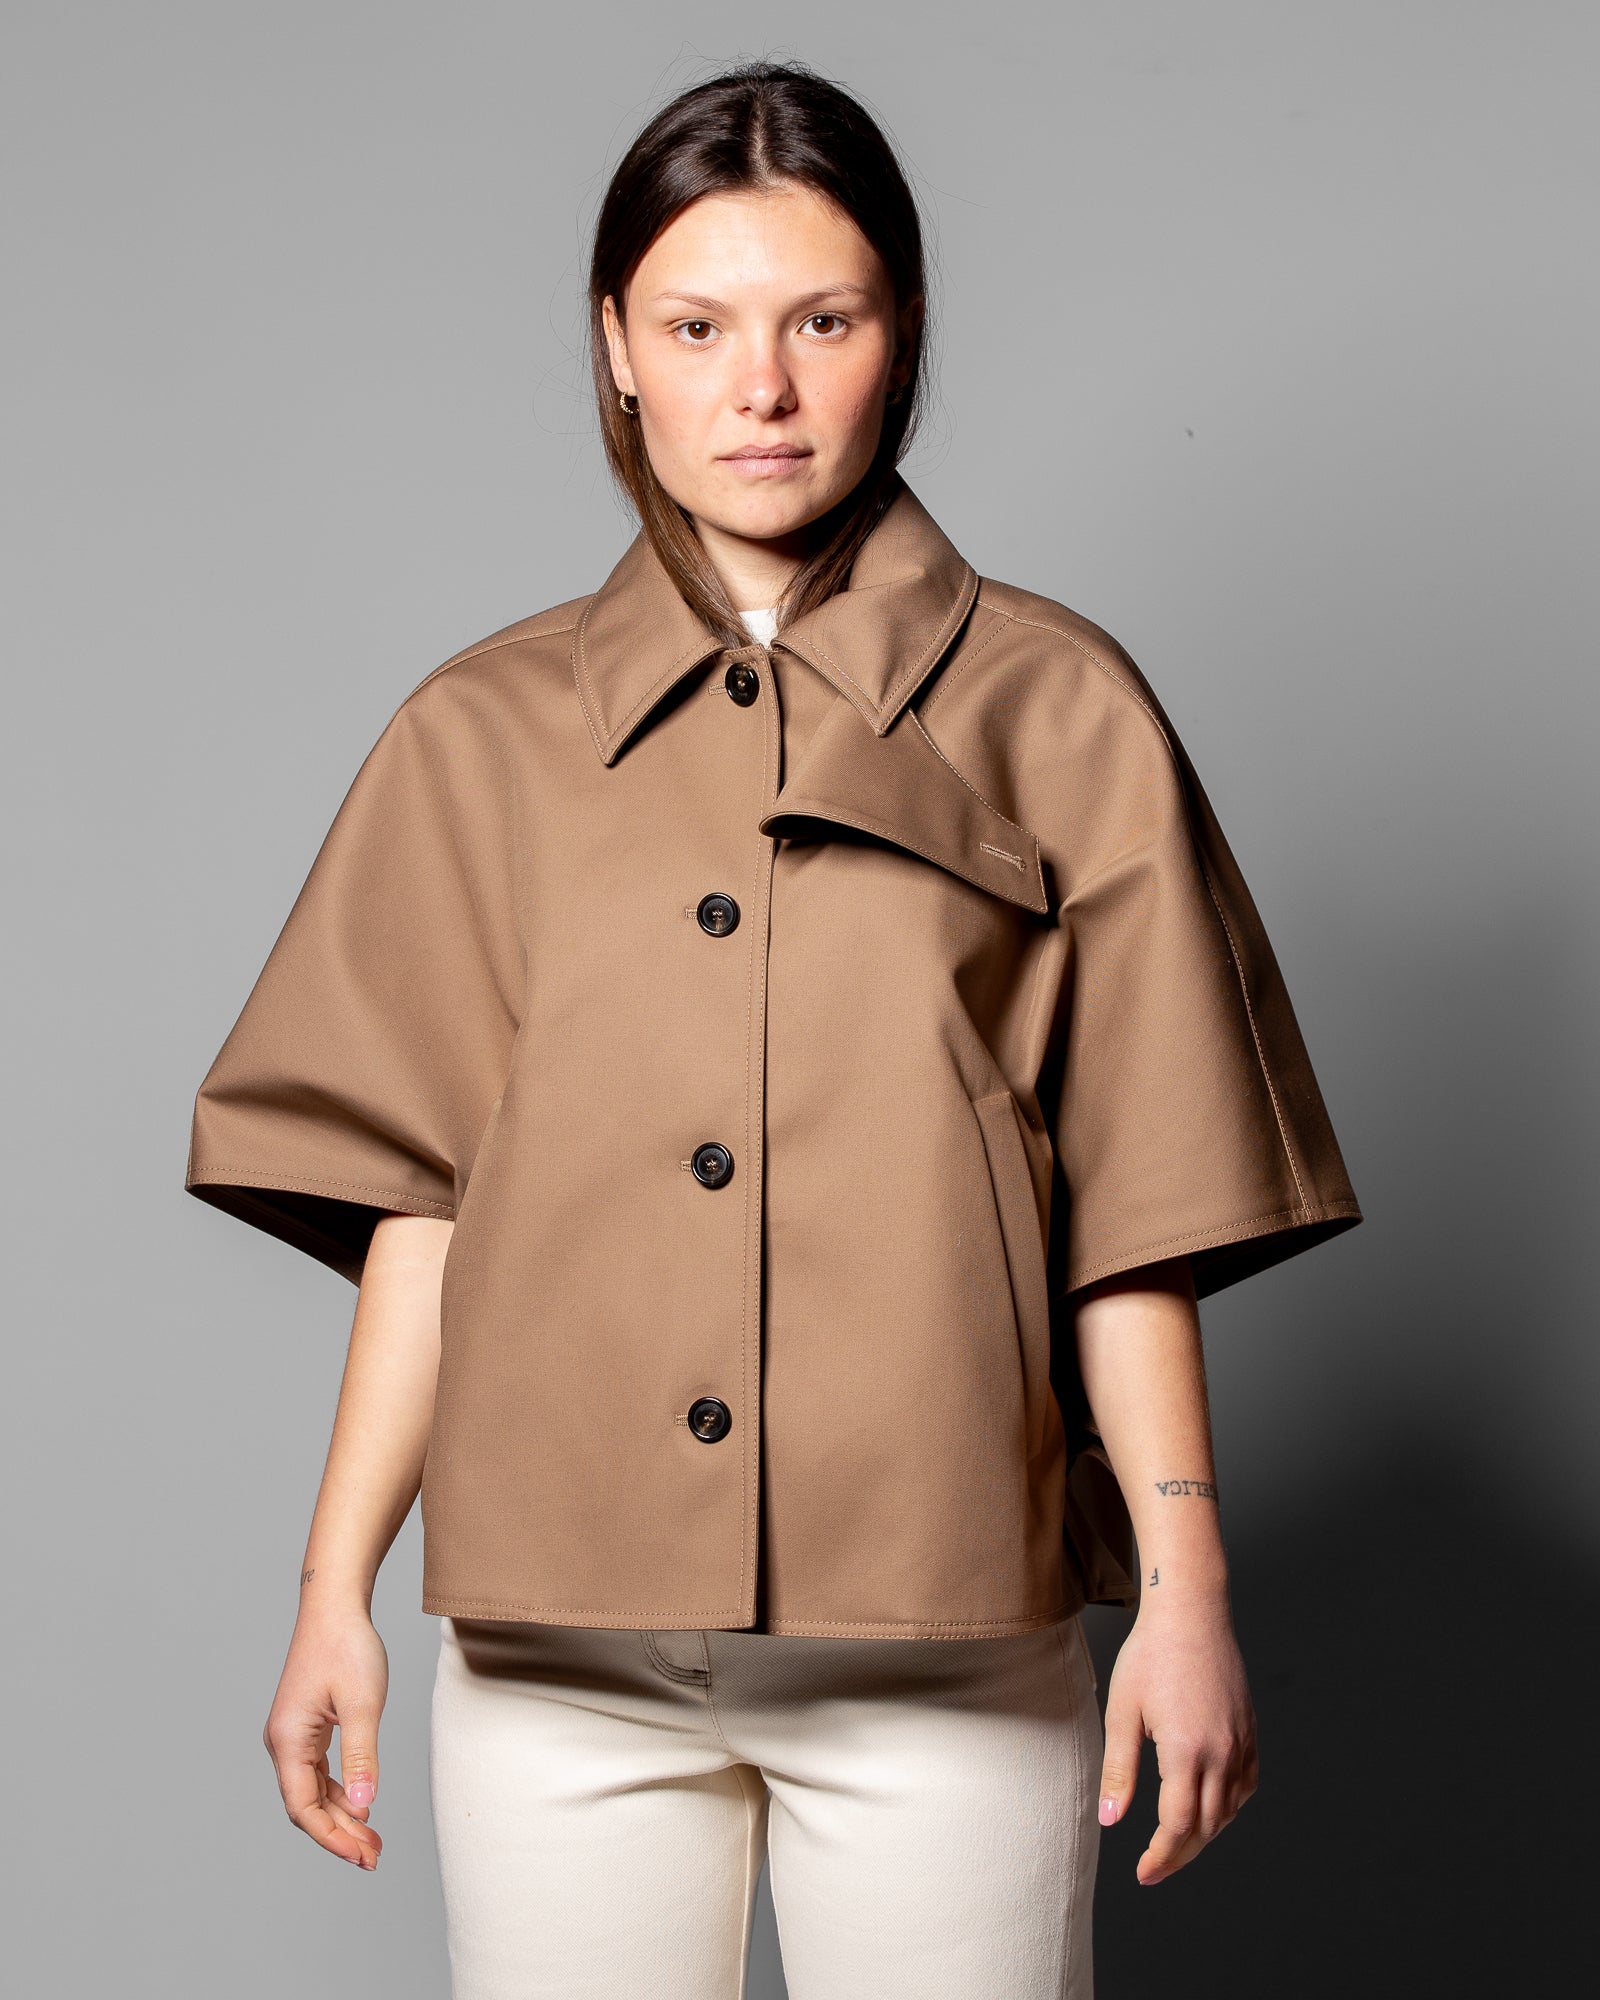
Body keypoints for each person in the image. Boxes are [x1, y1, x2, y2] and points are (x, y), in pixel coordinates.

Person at [184, 59, 1361, 2000]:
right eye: (696, 327)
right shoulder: (476, 738)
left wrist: (1184, 1590)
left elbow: (1132, 1213)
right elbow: (426, 1212)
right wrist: (333, 1593)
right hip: (553, 1676)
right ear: (614, 349)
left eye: (822, 321)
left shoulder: (1060, 711)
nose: (761, 389)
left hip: (944, 1660)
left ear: (902, 335)